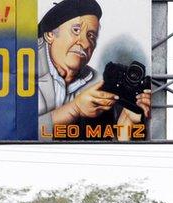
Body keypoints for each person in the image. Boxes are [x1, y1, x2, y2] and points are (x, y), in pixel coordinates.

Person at [37, 0, 150, 141]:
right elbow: (12, 133)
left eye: (91, 36)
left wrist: (125, 125)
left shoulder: (97, 85)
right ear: (50, 35)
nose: (85, 43)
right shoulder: (18, 70)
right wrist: (75, 109)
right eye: (76, 30)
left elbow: (104, 153)